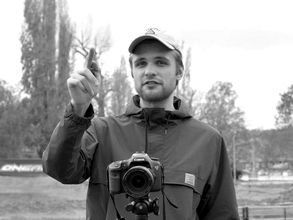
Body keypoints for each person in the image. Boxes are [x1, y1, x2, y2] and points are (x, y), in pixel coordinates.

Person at [42, 28, 239, 220]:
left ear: (179, 71)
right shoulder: (102, 132)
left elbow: (223, 214)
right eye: (141, 63)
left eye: (161, 62)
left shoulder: (207, 141)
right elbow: (59, 170)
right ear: (132, 71)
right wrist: (78, 107)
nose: (149, 71)